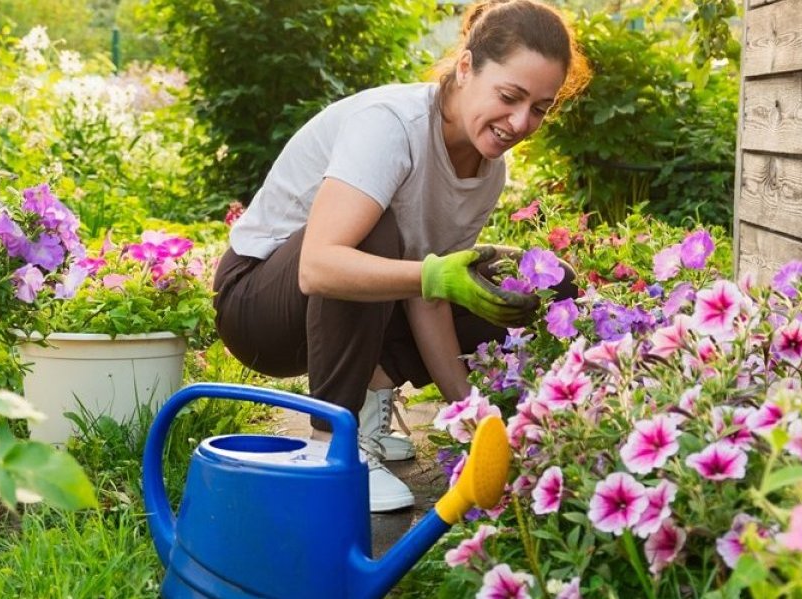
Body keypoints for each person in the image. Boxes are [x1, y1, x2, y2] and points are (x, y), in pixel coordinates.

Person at [213, 0, 589, 512]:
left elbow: (427, 292)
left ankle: (370, 398)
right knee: (375, 231)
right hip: (257, 305)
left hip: (334, 315)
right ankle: (334, 447)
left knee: (535, 282)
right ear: (465, 67)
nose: (520, 122)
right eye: (509, 96)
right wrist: (433, 275)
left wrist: (471, 419)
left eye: (540, 108)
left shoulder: (487, 168)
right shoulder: (392, 125)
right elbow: (319, 265)